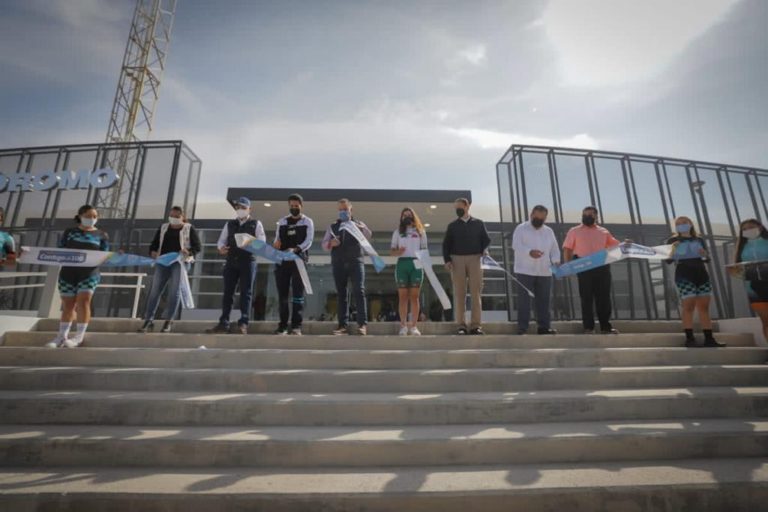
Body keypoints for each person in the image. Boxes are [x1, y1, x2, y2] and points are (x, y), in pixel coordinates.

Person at [45, 204, 109, 348]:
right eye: (88, 216)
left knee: (84, 301)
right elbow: (60, 249)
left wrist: (116, 256)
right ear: (80, 216)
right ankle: (61, 337)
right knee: (68, 305)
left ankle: (79, 336)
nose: (92, 219)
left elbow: (105, 255)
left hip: (89, 273)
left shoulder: (102, 235)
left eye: (95, 216)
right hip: (68, 272)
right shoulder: (70, 232)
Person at [138, 206, 201, 334]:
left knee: (174, 291)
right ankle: (148, 320)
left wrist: (189, 251)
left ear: (182, 217)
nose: (174, 218)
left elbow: (198, 246)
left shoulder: (188, 228)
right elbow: (155, 243)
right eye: (172, 216)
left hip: (179, 262)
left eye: (177, 216)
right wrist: (153, 251)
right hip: (163, 261)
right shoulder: (163, 227)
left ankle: (169, 321)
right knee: (155, 290)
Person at [206, 197, 265, 335]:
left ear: (250, 209)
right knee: (228, 292)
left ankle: (243, 323)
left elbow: (262, 243)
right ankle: (223, 323)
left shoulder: (256, 224)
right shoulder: (230, 224)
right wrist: (221, 248)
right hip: (231, 261)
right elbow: (221, 241)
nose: (240, 210)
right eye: (238, 207)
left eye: (244, 208)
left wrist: (247, 242)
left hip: (248, 261)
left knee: (246, 292)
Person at [665, 216, 723, 347]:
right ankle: (689, 339)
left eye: (684, 222)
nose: (681, 225)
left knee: (704, 307)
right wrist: (673, 250)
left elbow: (707, 259)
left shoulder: (699, 239)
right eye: (678, 224)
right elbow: (668, 261)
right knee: (689, 306)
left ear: (690, 224)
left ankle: (709, 339)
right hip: (684, 275)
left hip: (701, 274)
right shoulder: (672, 240)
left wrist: (704, 254)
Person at [562, 206, 620, 334]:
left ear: (596, 216)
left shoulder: (604, 231)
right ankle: (588, 327)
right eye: (584, 215)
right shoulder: (574, 231)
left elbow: (616, 246)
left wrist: (626, 244)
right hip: (584, 266)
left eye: (590, 215)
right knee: (586, 298)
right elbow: (567, 248)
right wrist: (567, 266)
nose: (586, 217)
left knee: (604, 298)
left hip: (602, 267)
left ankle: (606, 327)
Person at [322, 198, 372, 335]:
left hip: (356, 261)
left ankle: (362, 324)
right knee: (341, 293)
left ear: (351, 210)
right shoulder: (333, 226)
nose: (343, 212)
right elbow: (324, 244)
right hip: (338, 262)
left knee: (359, 291)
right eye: (340, 210)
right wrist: (331, 243)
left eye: (345, 209)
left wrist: (362, 229)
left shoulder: (359, 224)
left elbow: (368, 236)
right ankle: (342, 325)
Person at [442, 197, 491, 335]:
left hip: (475, 259)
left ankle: (476, 326)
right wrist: (447, 260)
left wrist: (485, 250)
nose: (457, 210)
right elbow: (446, 244)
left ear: (467, 206)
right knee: (459, 294)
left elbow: (486, 241)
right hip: (457, 260)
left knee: (476, 293)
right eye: (455, 208)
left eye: (460, 207)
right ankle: (461, 326)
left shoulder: (479, 223)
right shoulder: (452, 226)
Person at [512, 205, 560, 335]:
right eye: (537, 218)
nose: (539, 220)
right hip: (524, 270)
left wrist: (556, 261)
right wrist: (529, 252)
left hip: (544, 271)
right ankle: (523, 327)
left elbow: (554, 249)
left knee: (544, 300)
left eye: (542, 219)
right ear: (531, 215)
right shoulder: (521, 228)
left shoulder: (549, 231)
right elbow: (516, 245)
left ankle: (544, 327)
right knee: (524, 301)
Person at [273, 193, 314, 336]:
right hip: (283, 261)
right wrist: (276, 244)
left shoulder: (307, 221)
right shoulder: (282, 221)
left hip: (299, 261)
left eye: (296, 206)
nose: (294, 208)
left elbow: (309, 241)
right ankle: (283, 326)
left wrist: (296, 249)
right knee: (283, 295)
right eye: (291, 206)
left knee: (298, 295)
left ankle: (296, 326)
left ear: (301, 206)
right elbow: (277, 239)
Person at [390, 207, 428, 336]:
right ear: (401, 218)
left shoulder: (420, 232)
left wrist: (424, 262)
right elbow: (392, 251)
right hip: (402, 263)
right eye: (404, 215)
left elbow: (424, 250)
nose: (407, 217)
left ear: (413, 216)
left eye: (409, 214)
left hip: (416, 264)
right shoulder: (397, 232)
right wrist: (398, 251)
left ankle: (414, 326)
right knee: (403, 297)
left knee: (414, 297)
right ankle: (403, 326)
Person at [734, 218, 768, 343]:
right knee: (765, 321)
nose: (748, 231)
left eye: (751, 227)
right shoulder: (742, 246)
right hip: (753, 287)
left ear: (760, 227)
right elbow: (738, 266)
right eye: (744, 229)